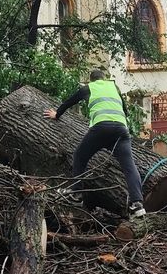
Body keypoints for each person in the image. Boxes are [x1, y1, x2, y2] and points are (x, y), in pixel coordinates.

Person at [44, 69, 146, 217]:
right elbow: (125, 110)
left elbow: (69, 102)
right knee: (129, 166)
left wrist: (57, 114)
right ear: (104, 78)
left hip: (100, 128)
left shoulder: (88, 88)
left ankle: (76, 193)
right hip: (121, 130)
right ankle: (137, 204)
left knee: (80, 155)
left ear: (91, 80)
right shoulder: (114, 88)